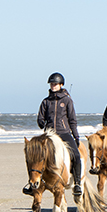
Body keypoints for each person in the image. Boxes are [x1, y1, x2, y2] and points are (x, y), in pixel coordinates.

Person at [35, 72, 83, 200]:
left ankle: (77, 184)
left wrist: (76, 136)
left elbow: (72, 120)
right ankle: (33, 183)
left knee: (76, 155)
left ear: (61, 85)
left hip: (64, 133)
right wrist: (41, 122)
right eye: (52, 84)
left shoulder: (67, 100)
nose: (53, 86)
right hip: (50, 134)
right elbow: (40, 118)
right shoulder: (46, 101)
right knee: (36, 154)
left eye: (55, 84)